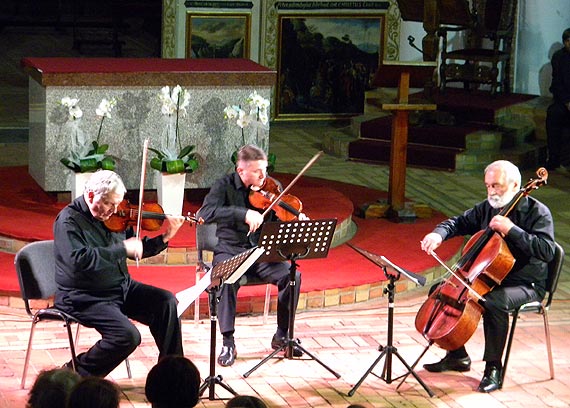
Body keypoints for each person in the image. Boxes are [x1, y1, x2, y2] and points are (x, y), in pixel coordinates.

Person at [419, 160, 555, 393]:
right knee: (440, 291)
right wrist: (438, 234)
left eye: (497, 186)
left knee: (493, 303)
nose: (491, 192)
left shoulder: (538, 213)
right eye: (488, 186)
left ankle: (493, 368)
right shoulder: (487, 208)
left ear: (515, 185)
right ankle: (457, 355)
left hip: (526, 284)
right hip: (489, 279)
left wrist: (512, 230)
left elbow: (547, 250)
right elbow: (457, 222)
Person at [53, 170, 185, 377]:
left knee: (166, 302)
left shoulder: (116, 216)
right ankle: (73, 375)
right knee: (127, 336)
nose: (113, 211)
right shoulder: (68, 221)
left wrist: (165, 237)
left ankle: (173, 374)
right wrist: (121, 248)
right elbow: (79, 261)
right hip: (85, 296)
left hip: (121, 288)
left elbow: (135, 248)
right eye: (108, 204)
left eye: (116, 204)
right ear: (90, 196)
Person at [199, 144, 303, 367]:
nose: (263, 176)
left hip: (262, 253)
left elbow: (278, 222)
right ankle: (228, 342)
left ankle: (282, 335)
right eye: (257, 171)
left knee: (292, 275)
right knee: (227, 277)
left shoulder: (272, 188)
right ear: (241, 171)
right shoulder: (223, 186)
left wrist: (291, 217)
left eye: (264, 170)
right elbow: (205, 213)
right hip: (231, 250)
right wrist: (242, 212)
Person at [546, 27, 570, 170]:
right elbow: (556, 84)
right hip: (564, 101)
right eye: (567, 41)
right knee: (553, 113)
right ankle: (553, 158)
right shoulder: (559, 57)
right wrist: (567, 101)